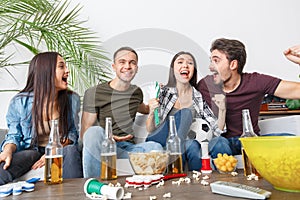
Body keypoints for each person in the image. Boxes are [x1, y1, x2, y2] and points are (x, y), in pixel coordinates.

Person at [197, 38, 300, 158]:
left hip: (251, 141)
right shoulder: (205, 85)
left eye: (216, 61)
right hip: (222, 142)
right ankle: (227, 177)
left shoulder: (256, 82)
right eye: (211, 61)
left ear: (233, 64)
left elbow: (297, 91)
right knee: (218, 143)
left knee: (289, 140)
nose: (210, 67)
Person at [0, 52, 82, 185]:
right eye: (61, 66)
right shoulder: (20, 102)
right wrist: (7, 150)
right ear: (46, 72)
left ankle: (73, 194)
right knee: (5, 165)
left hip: (60, 148)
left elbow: (72, 134)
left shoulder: (72, 99)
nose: (67, 71)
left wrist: (54, 149)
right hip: (31, 149)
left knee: (71, 150)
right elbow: (14, 135)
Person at [81, 47, 163, 178]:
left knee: (156, 148)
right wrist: (109, 137)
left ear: (137, 68)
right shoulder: (94, 92)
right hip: (104, 146)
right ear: (114, 66)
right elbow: (85, 134)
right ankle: (94, 186)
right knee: (93, 132)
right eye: (122, 62)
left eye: (132, 62)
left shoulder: (136, 92)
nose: (128, 66)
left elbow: (144, 108)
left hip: (126, 148)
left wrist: (158, 97)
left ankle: (147, 191)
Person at [146, 51, 226, 171]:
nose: (185, 66)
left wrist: (222, 109)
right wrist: (152, 112)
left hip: (182, 144)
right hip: (161, 140)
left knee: (193, 145)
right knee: (186, 113)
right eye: (180, 62)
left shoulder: (197, 96)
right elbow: (151, 130)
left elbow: (217, 129)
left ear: (193, 70)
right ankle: (174, 149)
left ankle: (198, 181)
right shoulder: (163, 93)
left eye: (190, 63)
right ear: (173, 69)